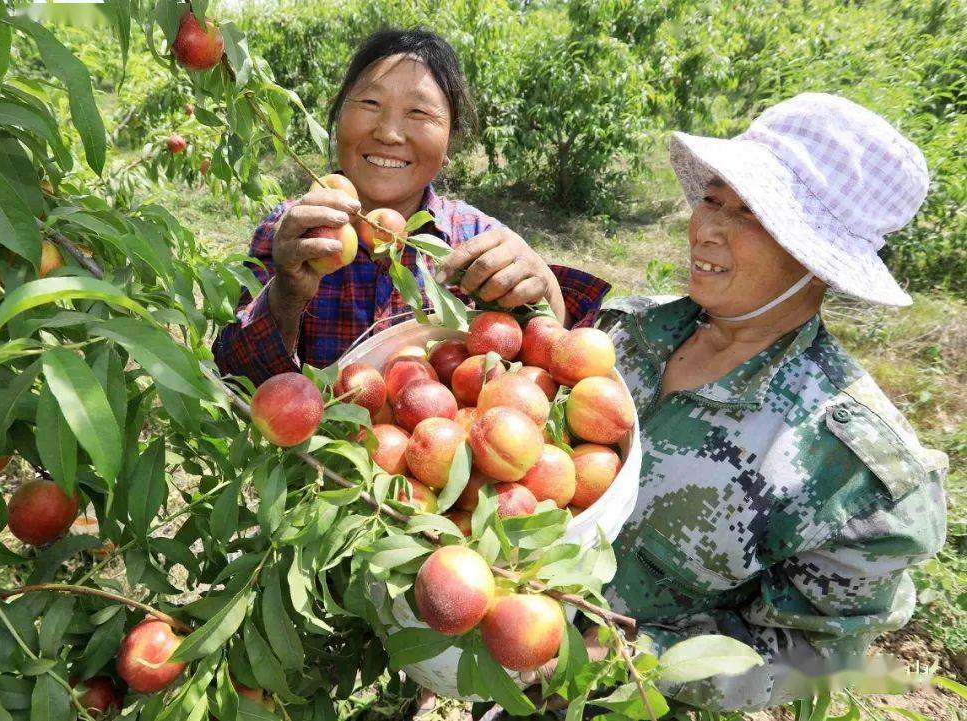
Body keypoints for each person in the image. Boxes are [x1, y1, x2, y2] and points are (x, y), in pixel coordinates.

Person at [518, 93, 948, 714]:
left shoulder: (851, 469)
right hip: (508, 648)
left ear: (815, 259)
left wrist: (634, 656)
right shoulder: (625, 335)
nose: (707, 227)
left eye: (751, 214)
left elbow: (816, 658)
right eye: (713, 198)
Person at [212, 29, 608, 384]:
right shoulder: (291, 232)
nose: (387, 132)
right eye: (369, 102)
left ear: (449, 142)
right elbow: (235, 376)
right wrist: (287, 294)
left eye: (419, 112)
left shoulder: (477, 241)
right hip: (311, 462)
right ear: (337, 118)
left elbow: (555, 375)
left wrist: (549, 293)